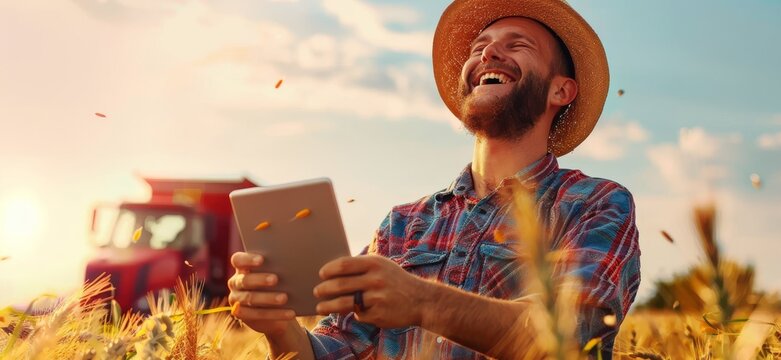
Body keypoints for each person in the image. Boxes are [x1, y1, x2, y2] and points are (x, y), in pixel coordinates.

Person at [228, 0, 640, 358]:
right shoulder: (402, 225)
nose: (488, 52)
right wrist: (281, 330)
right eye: (479, 47)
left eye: (517, 45)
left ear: (560, 91)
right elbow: (337, 351)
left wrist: (423, 302)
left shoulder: (595, 204)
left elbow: (576, 336)